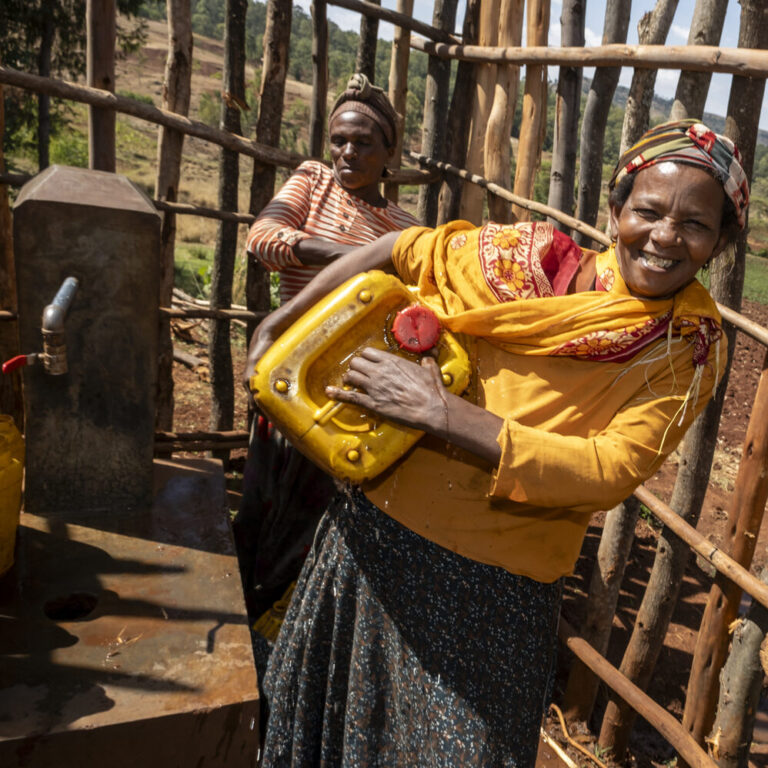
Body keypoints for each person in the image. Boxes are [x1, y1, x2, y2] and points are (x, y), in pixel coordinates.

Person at [245, 120, 748, 767]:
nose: (665, 237)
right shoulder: (529, 260)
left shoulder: (684, 345)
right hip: (372, 545)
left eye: (696, 225)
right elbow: (402, 246)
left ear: (721, 243)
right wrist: (278, 321)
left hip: (493, 598)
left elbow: (610, 468)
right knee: (334, 742)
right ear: (617, 208)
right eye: (648, 210)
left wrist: (439, 412)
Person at [236, 74, 418, 625]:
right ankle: (248, 606)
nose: (346, 152)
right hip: (289, 371)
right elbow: (263, 239)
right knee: (264, 498)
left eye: (363, 143)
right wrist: (354, 258)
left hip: (355, 387)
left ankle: (288, 628)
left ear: (389, 153)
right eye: (338, 139)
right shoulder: (313, 181)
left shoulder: (405, 226)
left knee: (324, 514)